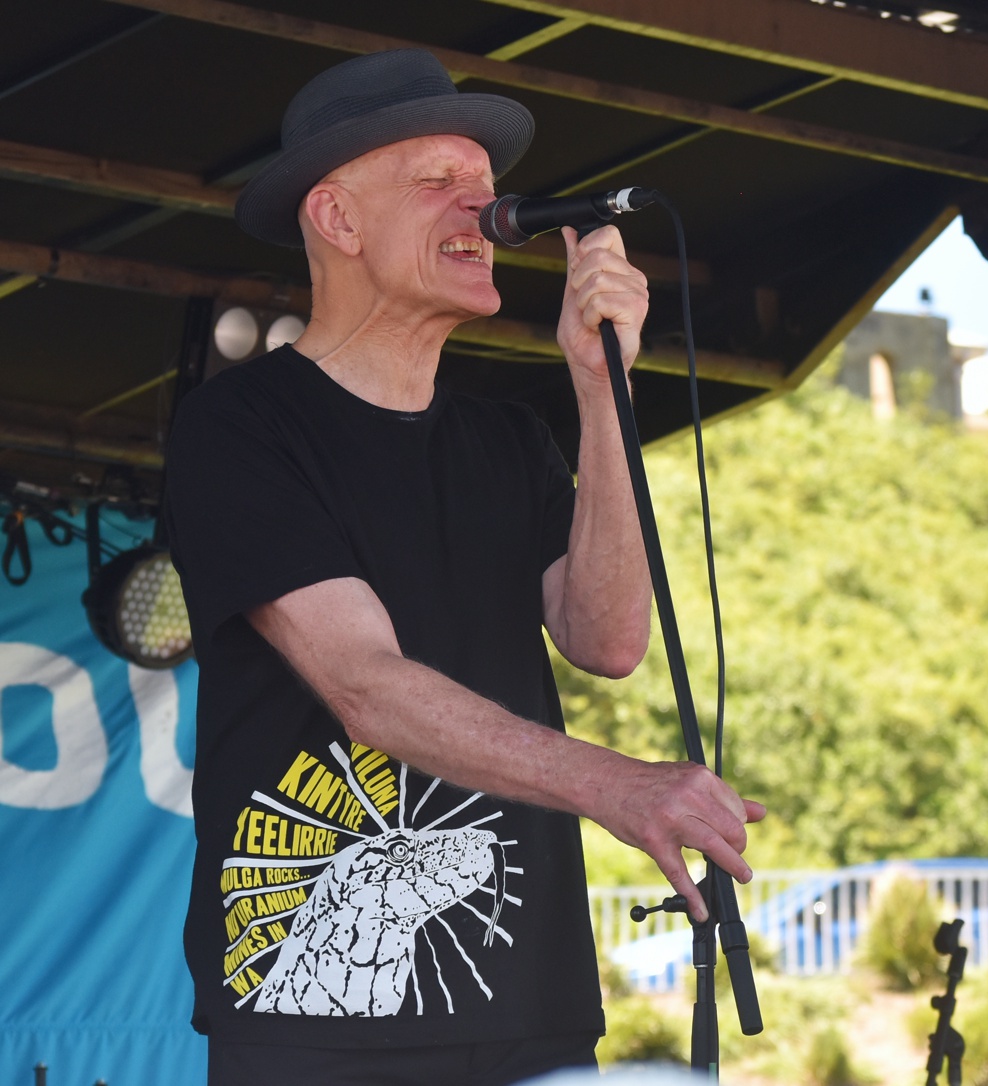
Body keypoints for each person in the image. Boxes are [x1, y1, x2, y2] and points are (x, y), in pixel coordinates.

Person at [164, 49, 762, 1085]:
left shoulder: (508, 440)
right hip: (315, 1019)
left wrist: (598, 388)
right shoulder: (242, 426)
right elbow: (365, 686)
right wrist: (616, 785)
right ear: (338, 221)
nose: (485, 206)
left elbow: (607, 639)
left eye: (488, 188)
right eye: (440, 181)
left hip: (529, 998)